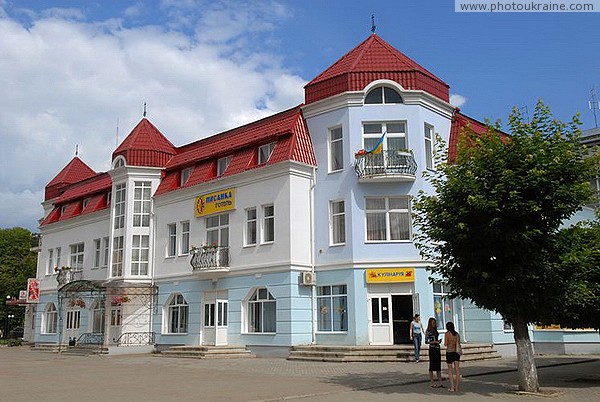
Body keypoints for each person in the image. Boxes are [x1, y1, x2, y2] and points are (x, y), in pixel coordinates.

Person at [425, 317, 444, 388]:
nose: (434, 324)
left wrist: (438, 341)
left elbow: (436, 338)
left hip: (437, 348)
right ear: (430, 323)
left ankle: (440, 382)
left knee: (438, 365)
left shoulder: (435, 330)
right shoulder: (428, 331)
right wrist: (434, 342)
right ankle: (432, 382)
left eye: (435, 323)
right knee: (432, 365)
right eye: (433, 323)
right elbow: (426, 341)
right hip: (432, 348)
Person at [444, 321, 461, 392]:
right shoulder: (457, 334)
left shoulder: (447, 334)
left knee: (450, 370)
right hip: (456, 353)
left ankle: (452, 387)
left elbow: (445, 344)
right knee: (457, 370)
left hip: (449, 352)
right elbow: (458, 343)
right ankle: (457, 387)